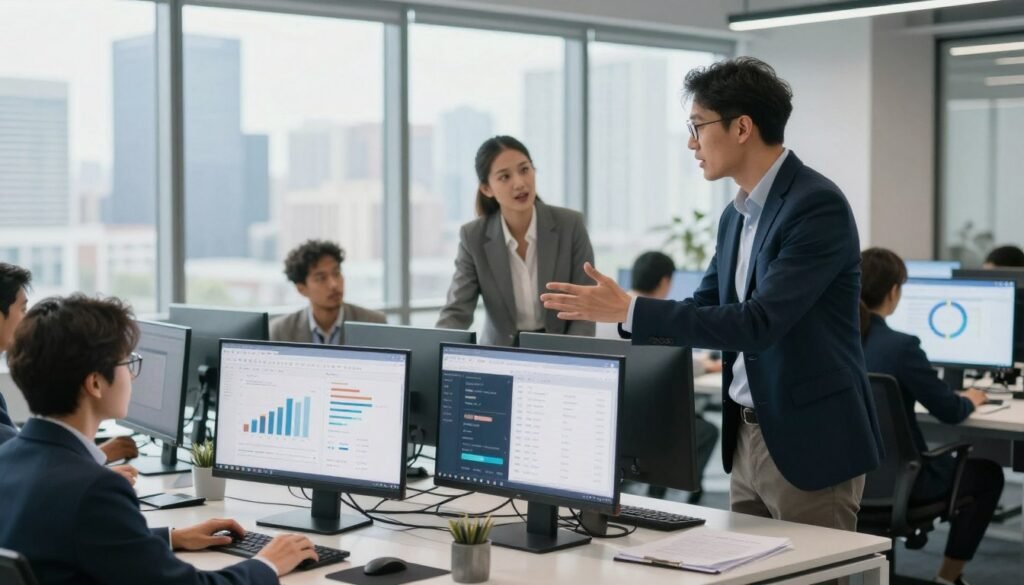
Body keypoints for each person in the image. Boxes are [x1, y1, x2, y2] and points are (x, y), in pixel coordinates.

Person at [542, 57, 883, 535]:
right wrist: (629, 315)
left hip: (811, 439)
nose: (691, 142)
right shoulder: (735, 216)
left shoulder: (815, 205)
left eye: (697, 126)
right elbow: (704, 307)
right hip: (745, 435)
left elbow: (758, 323)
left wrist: (632, 308)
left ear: (742, 127)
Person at [0, 293, 319, 584]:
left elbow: (65, 540)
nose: (133, 375)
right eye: (127, 363)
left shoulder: (8, 459)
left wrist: (170, 537)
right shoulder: (96, 490)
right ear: (95, 384)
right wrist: (267, 563)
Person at [859, 248, 1003, 585]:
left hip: (844, 480)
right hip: (903, 483)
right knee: (988, 475)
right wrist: (971, 397)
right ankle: (947, 578)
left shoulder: (834, 341)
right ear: (894, 292)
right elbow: (950, 412)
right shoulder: (900, 346)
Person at [437, 135, 596, 346]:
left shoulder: (570, 225)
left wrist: (573, 358)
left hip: (562, 349)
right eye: (504, 177)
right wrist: (433, 351)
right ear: (486, 189)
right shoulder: (473, 237)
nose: (519, 183)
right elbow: (457, 312)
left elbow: (584, 305)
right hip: (500, 353)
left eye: (524, 170)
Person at [596, 251, 720, 504]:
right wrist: (707, 365)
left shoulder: (608, 313)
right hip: (640, 419)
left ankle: (657, 491)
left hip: (606, 413)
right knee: (706, 430)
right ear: (665, 282)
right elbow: (668, 362)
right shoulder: (651, 317)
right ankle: (665, 494)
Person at [0, 263, 138, 478]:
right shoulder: (101, 491)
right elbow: (23, 471)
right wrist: (94, 477)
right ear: (94, 382)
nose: (28, 321)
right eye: (23, 309)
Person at [270, 240, 385, 345]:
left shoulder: (373, 323)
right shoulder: (280, 331)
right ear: (301, 289)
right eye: (321, 278)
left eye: (336, 273)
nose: (334, 284)